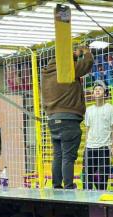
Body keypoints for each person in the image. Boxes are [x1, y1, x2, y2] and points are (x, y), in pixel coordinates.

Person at [42, 46, 94, 189]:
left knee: (58, 155)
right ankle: (69, 186)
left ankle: (56, 186)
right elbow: (87, 65)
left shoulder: (46, 73)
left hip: (52, 119)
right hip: (69, 119)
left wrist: (73, 56)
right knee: (68, 156)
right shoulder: (67, 68)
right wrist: (86, 52)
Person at [83, 81, 113, 190]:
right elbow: (87, 129)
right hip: (90, 146)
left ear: (105, 93)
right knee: (87, 175)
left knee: (103, 176)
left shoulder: (111, 108)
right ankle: (87, 195)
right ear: (93, 93)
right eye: (95, 89)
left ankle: (101, 193)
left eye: (100, 89)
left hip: (104, 146)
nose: (97, 90)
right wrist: (85, 145)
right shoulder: (88, 110)